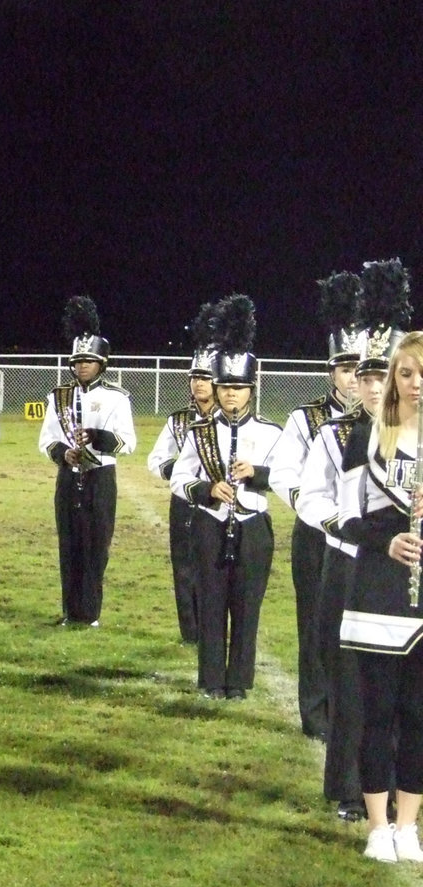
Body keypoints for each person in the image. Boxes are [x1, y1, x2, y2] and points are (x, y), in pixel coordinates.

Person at [299, 297, 395, 824]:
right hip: (348, 567)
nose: (376, 387)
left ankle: (402, 786)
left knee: (402, 681)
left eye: (386, 376)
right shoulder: (334, 435)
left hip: (403, 570)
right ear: (354, 383)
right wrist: (344, 526)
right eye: (367, 377)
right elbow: (312, 497)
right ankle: (350, 788)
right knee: (351, 681)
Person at [334, 325, 423, 863]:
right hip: (378, 592)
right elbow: (345, 518)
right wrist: (387, 540)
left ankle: (409, 827)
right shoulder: (365, 438)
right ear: (392, 378)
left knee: (420, 714)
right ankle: (376, 826)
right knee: (379, 713)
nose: (416, 383)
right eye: (406, 372)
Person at [171, 295, 281, 699]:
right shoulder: (200, 431)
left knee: (247, 608)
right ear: (215, 389)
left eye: (239, 387)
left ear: (251, 389)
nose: (232, 394)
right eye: (225, 386)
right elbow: (179, 477)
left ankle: (239, 683)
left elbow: (289, 479)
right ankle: (211, 681)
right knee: (212, 604)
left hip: (253, 528)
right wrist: (205, 489)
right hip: (210, 525)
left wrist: (257, 474)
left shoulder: (272, 432)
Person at [269, 272, 364, 739]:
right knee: (315, 626)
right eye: (345, 369)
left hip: (364, 543)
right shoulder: (305, 418)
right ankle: (316, 714)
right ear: (331, 371)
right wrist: (317, 510)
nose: (353, 378)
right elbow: (285, 475)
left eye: (361, 369)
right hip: (315, 537)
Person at [39, 296, 137, 626]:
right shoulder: (59, 396)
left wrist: (97, 437)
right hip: (68, 477)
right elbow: (46, 439)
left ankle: (90, 613)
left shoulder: (117, 397)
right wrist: (61, 454)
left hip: (100, 479)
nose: (82, 365)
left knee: (96, 547)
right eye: (78, 360)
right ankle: (70, 612)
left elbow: (129, 442)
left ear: (101, 364)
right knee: (69, 546)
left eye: (89, 360)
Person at [146, 304, 216, 643]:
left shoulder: (231, 421)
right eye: (195, 377)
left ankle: (214, 628)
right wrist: (184, 474)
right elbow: (156, 459)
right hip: (185, 503)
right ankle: (190, 633)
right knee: (184, 567)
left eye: (206, 377)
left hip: (221, 505)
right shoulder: (177, 421)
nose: (199, 383)